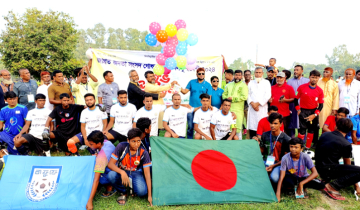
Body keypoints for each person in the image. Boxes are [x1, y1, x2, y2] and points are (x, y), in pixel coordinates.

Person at [315, 118, 360, 200]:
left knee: (353, 164)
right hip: (328, 170)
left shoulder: (325, 134)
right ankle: (333, 186)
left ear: (336, 126)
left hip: (318, 167)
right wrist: (356, 185)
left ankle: (326, 180)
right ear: (349, 130)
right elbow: (347, 166)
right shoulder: (345, 144)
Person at [107, 128, 152, 206]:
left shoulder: (144, 152)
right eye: (133, 141)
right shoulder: (121, 146)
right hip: (122, 170)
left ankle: (132, 186)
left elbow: (147, 174)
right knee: (111, 175)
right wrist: (122, 172)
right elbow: (110, 164)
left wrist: (150, 196)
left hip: (136, 172)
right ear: (128, 140)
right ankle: (123, 192)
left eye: (139, 141)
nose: (136, 144)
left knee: (142, 192)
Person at [276, 138, 324, 202]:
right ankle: (292, 190)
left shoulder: (305, 157)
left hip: (303, 177)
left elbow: (315, 173)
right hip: (291, 176)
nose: (293, 149)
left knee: (321, 185)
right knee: (287, 182)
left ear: (301, 148)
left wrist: (302, 183)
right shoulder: (285, 158)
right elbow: (281, 176)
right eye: (291, 147)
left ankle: (302, 187)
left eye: (296, 147)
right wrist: (278, 194)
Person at [253, 113, 291, 185]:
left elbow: (286, 159)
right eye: (271, 123)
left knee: (275, 178)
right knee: (253, 173)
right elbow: (262, 151)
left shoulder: (286, 139)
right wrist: (256, 144)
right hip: (266, 161)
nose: (272, 125)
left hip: (279, 164)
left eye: (275, 123)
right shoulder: (265, 135)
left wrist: (273, 166)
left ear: (280, 124)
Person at [86, 131, 116, 210]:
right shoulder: (107, 142)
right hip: (115, 167)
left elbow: (96, 180)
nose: (90, 146)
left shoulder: (101, 158)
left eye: (91, 144)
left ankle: (109, 187)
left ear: (99, 143)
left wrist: (90, 201)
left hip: (112, 172)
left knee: (93, 176)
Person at [295, 70, 324, 149]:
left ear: (319, 78)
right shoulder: (301, 87)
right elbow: (295, 99)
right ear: (309, 77)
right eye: (312, 77)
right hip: (303, 111)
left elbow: (321, 105)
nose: (314, 79)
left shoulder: (320, 90)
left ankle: (307, 147)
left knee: (311, 131)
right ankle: (299, 146)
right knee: (302, 130)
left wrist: (315, 115)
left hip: (313, 111)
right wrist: (298, 110)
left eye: (316, 78)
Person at [181, 68, 213, 139]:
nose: (201, 75)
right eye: (199, 74)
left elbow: (209, 98)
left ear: (204, 74)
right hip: (191, 108)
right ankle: (190, 141)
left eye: (203, 74)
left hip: (202, 109)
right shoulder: (191, 82)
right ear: (196, 74)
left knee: (202, 126)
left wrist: (209, 106)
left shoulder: (208, 85)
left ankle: (202, 139)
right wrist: (178, 87)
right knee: (190, 127)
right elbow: (184, 91)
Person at [223, 70, 248, 139]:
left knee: (237, 130)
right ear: (234, 75)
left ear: (241, 76)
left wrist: (233, 98)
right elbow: (224, 94)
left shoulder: (244, 86)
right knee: (227, 128)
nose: (237, 76)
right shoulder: (229, 85)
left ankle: (238, 146)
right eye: (236, 75)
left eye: (239, 75)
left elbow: (244, 97)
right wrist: (227, 99)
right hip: (228, 110)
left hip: (238, 111)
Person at [247, 67, 271, 139]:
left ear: (262, 73)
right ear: (254, 73)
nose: (258, 74)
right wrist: (252, 103)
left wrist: (258, 104)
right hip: (252, 108)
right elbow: (247, 94)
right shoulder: (250, 83)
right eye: (256, 72)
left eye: (259, 72)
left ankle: (262, 146)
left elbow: (268, 95)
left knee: (262, 126)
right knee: (253, 127)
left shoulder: (266, 82)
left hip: (262, 108)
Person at [287, 65, 310, 137]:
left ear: (302, 71)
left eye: (297, 70)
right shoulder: (290, 81)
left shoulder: (307, 81)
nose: (295, 71)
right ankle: (292, 139)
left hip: (304, 105)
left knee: (303, 123)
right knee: (292, 123)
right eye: (294, 70)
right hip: (293, 105)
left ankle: (302, 141)